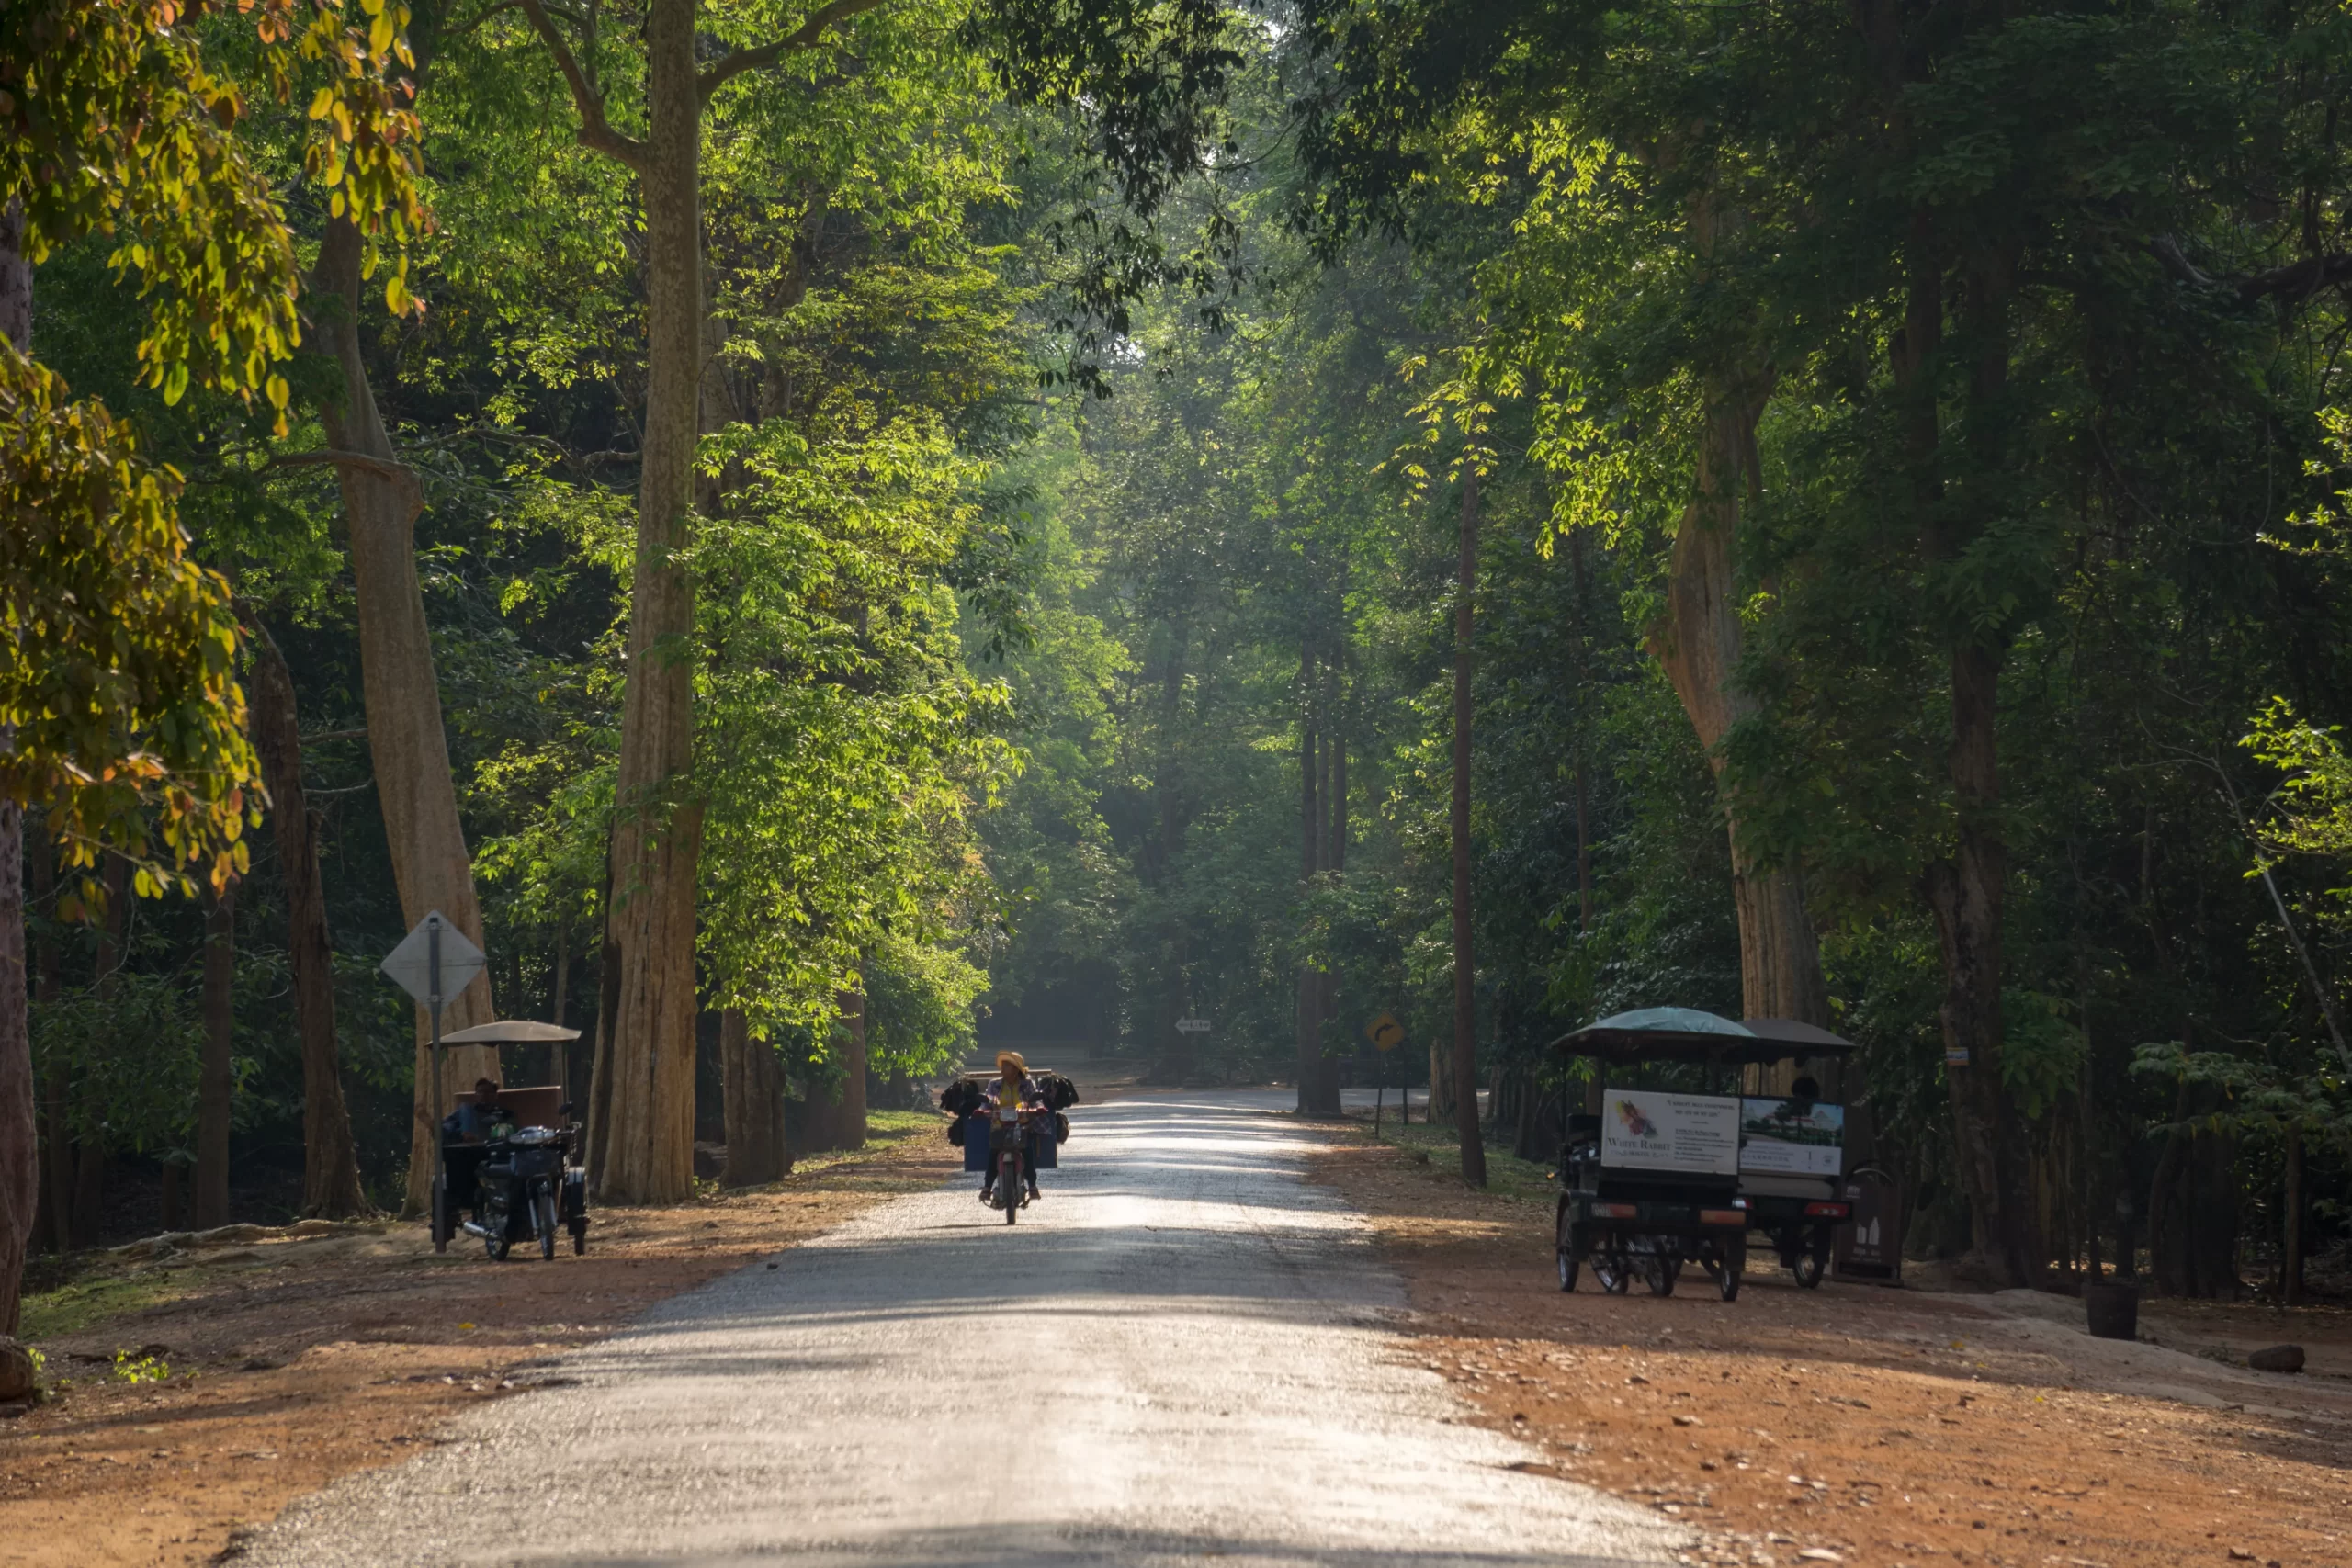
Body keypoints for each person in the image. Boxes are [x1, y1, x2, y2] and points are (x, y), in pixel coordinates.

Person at [978, 1051, 1044, 1204]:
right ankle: (987, 1187)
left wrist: (1039, 1108)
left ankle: (1032, 1186)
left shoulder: (1027, 1084)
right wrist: (982, 1109)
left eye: (1006, 1066)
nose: (1002, 1069)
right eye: (1003, 1066)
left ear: (1015, 1069)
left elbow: (1034, 1100)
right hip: (999, 1126)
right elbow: (989, 1099)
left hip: (1022, 1125)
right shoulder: (994, 1084)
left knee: (1027, 1150)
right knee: (993, 1152)